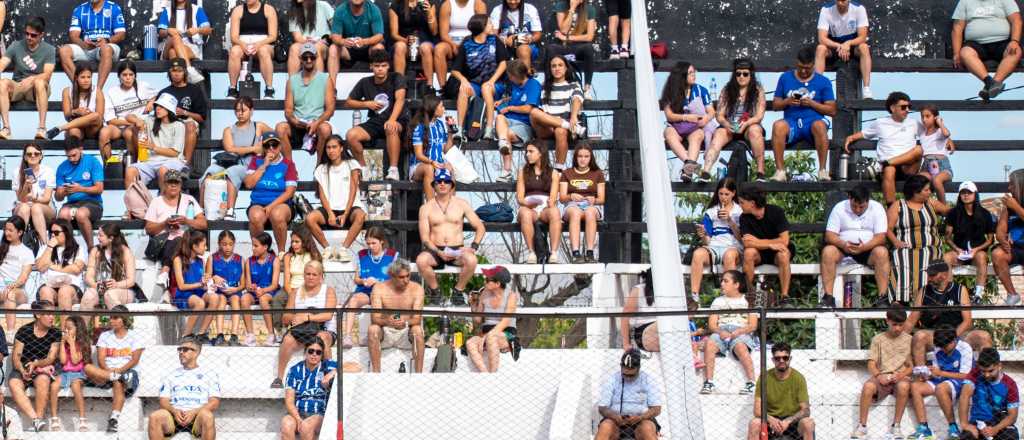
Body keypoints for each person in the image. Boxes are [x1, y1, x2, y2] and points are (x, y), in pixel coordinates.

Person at [415, 169, 485, 305]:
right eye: (439, 181)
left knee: (471, 260)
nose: (442, 184)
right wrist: (438, 251)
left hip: (457, 249)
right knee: (421, 260)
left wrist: (473, 247)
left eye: (446, 181)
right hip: (435, 250)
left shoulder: (461, 204)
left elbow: (480, 227)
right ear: (434, 185)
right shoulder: (426, 208)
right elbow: (425, 238)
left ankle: (458, 292)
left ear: (451, 185)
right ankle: (436, 292)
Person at [906, 261, 994, 366]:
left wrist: (951, 338)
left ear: (944, 275)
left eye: (933, 275)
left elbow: (967, 321)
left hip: (958, 334)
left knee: (984, 336)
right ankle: (921, 374)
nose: (929, 278)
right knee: (919, 336)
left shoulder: (960, 290)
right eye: (929, 275)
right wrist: (899, 338)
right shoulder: (924, 291)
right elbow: (912, 319)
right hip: (934, 335)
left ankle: (985, 375)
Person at [771, 45, 837, 182]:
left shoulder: (823, 81)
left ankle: (822, 170)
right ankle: (780, 171)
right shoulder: (785, 78)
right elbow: (776, 105)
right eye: (800, 67)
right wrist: (787, 102)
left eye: (807, 68)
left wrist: (812, 103)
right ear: (796, 63)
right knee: (778, 126)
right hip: (792, 122)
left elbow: (832, 110)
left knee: (819, 125)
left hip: (813, 121)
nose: (803, 71)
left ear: (813, 64)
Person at [200, 96, 272, 220]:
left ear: (251, 111)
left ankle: (230, 210)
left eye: (243, 110)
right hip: (228, 162)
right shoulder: (228, 130)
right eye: (237, 110)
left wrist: (264, 148)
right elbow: (230, 149)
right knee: (209, 172)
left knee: (232, 172)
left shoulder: (259, 126)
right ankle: (200, 210)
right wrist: (253, 149)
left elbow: (275, 137)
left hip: (247, 166)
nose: (240, 113)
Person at [844, 91, 923, 205]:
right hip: (888, 170)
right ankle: (892, 207)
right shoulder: (880, 123)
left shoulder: (914, 123)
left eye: (909, 107)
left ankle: (888, 163)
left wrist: (947, 138)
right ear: (892, 108)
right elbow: (864, 133)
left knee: (919, 150)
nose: (907, 110)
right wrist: (850, 138)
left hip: (908, 167)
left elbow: (931, 134)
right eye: (903, 107)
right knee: (889, 170)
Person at [820, 185, 890, 308]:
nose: (857, 209)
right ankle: (828, 296)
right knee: (828, 251)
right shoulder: (839, 208)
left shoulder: (877, 208)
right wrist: (843, 244)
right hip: (843, 248)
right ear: (849, 198)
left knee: (882, 252)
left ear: (868, 201)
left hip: (868, 249)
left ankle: (882, 297)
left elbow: (881, 237)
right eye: (854, 206)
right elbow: (829, 235)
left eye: (861, 207)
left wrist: (864, 247)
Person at [887, 175, 951, 305]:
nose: (930, 192)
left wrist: (949, 227)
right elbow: (887, 229)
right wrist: (896, 242)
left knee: (927, 256)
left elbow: (951, 213)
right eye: (926, 190)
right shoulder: (898, 205)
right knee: (903, 256)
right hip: (906, 247)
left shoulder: (931, 203)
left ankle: (926, 298)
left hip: (930, 247)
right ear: (916, 191)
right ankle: (901, 298)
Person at [850, 309, 913, 440]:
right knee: (868, 386)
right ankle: (862, 426)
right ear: (887, 321)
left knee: (904, 387)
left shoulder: (910, 340)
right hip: (882, 376)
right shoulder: (878, 339)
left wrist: (901, 375)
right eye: (894, 324)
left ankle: (896, 427)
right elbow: (871, 364)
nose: (898, 328)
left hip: (901, 377)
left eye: (901, 325)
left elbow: (912, 367)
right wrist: (879, 376)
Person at [273, 260, 337, 388]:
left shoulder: (328, 290)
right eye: (308, 274)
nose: (311, 277)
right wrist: (295, 316)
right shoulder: (296, 292)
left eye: (314, 274)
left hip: (324, 329)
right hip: (303, 331)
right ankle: (279, 378)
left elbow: (328, 315)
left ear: (321, 276)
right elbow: (286, 318)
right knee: (287, 340)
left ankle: (329, 376)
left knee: (322, 338)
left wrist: (307, 316)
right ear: (304, 275)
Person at [345, 48, 407, 179]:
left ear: (388, 66)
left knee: (391, 127)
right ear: (371, 66)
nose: (380, 69)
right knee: (351, 135)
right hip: (375, 121)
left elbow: (400, 100)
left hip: (397, 119)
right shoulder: (365, 82)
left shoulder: (396, 77)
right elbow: (349, 102)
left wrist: (392, 119)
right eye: (377, 66)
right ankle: (363, 168)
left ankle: (393, 169)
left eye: (383, 66)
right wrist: (366, 104)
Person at [147, 336, 220, 440]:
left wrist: (194, 412)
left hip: (197, 416)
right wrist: (174, 410)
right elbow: (163, 400)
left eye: (185, 349)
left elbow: (214, 402)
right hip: (174, 416)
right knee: (155, 417)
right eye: (179, 349)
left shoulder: (210, 374)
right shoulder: (170, 374)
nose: (181, 352)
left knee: (208, 416)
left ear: (196, 352)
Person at [143, 169, 207, 287]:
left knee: (179, 239)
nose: (173, 185)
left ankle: (165, 271)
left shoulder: (189, 199)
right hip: (163, 244)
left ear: (180, 185)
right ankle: (167, 274)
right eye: (170, 182)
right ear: (164, 184)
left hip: (185, 243)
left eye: (176, 182)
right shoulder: (156, 202)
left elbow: (203, 223)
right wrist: (165, 224)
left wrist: (186, 221)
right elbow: (148, 228)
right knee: (177, 240)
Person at [85, 305, 144, 433]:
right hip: (107, 372)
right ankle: (114, 378)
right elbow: (101, 359)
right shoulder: (105, 336)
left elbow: (135, 360)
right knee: (87, 367)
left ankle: (114, 418)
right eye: (111, 318)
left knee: (118, 382)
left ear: (124, 320)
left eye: (115, 318)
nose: (111, 321)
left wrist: (119, 370)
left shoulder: (135, 336)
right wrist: (109, 371)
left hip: (127, 372)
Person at [308, 134, 367, 262]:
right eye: (328, 147)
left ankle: (344, 249)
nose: (331, 150)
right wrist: (329, 214)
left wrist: (345, 214)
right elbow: (322, 194)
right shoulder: (321, 169)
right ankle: (327, 249)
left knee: (360, 216)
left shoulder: (352, 164)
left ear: (341, 148)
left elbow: (353, 190)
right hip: (330, 208)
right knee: (310, 218)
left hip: (350, 207)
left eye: (334, 147)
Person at [908, 326, 973, 440]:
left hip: (958, 380)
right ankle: (924, 428)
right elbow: (937, 371)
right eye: (940, 347)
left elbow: (965, 375)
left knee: (940, 388)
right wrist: (928, 374)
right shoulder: (939, 348)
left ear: (953, 340)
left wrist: (941, 373)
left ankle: (953, 428)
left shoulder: (964, 348)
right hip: (941, 379)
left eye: (945, 346)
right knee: (915, 386)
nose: (942, 349)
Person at [699, 270, 757, 395]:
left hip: (740, 331)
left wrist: (739, 331)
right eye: (722, 281)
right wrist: (720, 332)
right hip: (721, 331)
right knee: (710, 343)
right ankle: (709, 382)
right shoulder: (718, 301)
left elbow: (752, 325)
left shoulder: (748, 301)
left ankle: (752, 382)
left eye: (726, 281)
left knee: (741, 347)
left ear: (736, 284)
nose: (722, 284)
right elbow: (712, 324)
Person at [450, 14, 507, 140]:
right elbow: (455, 70)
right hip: (475, 84)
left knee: (486, 88)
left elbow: (503, 63)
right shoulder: (467, 43)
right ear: (482, 27)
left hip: (495, 84)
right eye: (489, 23)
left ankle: (489, 129)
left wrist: (492, 81)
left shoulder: (494, 40)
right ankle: (459, 130)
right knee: (463, 89)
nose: (492, 25)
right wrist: (464, 81)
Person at [710, 58, 768, 181]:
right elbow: (719, 115)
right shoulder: (727, 89)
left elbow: (759, 116)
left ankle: (761, 172)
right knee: (718, 135)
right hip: (730, 126)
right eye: (738, 73)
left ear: (751, 75)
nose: (741, 76)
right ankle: (705, 171)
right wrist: (726, 124)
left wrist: (746, 123)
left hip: (749, 125)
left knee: (755, 131)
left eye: (745, 74)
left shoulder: (758, 90)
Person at [951, 0, 1022, 100]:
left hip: (1002, 42)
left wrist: (1014, 41)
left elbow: (1016, 20)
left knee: (1016, 51)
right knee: (965, 52)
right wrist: (956, 53)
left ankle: (992, 84)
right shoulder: (965, 1)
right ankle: (990, 83)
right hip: (975, 44)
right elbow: (957, 27)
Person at [661, 61, 718, 183]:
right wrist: (686, 117)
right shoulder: (670, 91)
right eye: (690, 73)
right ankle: (689, 164)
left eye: (694, 72)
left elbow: (711, 112)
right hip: (676, 125)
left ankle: (687, 171)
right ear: (682, 75)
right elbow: (669, 115)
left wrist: (705, 119)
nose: (694, 75)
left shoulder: (701, 89)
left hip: (695, 127)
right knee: (668, 133)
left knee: (698, 135)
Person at [738, 185, 795, 306]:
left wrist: (758, 241)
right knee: (748, 253)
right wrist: (771, 244)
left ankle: (785, 296)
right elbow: (747, 243)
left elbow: (784, 241)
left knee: (783, 255)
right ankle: (749, 294)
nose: (740, 205)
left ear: (752, 203)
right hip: (760, 253)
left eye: (742, 202)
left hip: (778, 252)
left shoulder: (776, 212)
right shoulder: (744, 217)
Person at [277, 42, 336, 160]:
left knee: (325, 129)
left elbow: (330, 109)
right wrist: (295, 121)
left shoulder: (326, 79)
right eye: (305, 57)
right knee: (280, 128)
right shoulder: (292, 81)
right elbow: (288, 110)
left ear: (316, 58)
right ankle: (289, 167)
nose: (309, 60)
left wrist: (317, 123)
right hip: (298, 124)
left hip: (317, 123)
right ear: (300, 59)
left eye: (312, 57)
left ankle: (319, 166)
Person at [0, 16, 55, 140]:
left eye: (33, 35)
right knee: (2, 83)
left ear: (41, 35)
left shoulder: (49, 50)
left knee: (40, 82)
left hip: (36, 89)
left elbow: (47, 74)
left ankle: (41, 128)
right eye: (27, 34)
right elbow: (2, 64)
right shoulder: (15, 45)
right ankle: (6, 129)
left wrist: (32, 79)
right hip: (18, 86)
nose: (29, 37)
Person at [9, 300, 60, 432]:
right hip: (23, 367)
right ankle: (36, 420)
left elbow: (51, 357)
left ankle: (39, 419)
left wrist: (36, 364)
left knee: (43, 380)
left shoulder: (55, 333)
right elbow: (16, 357)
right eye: (48, 314)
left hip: (43, 368)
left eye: (53, 314)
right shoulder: (24, 331)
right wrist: (22, 370)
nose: (52, 317)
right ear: (37, 314)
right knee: (14, 383)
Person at [342, 227, 398, 348]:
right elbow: (356, 279)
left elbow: (396, 280)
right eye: (368, 243)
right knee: (353, 300)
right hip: (365, 291)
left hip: (384, 293)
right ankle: (347, 336)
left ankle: (373, 334)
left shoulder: (392, 255)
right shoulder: (362, 255)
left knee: (376, 298)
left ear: (382, 241)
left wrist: (377, 282)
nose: (371, 246)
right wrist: (364, 280)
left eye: (374, 243)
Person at [746, 342, 814, 440]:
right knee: (754, 423)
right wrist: (771, 419)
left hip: (792, 422)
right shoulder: (764, 378)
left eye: (785, 358)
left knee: (808, 423)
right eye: (777, 358)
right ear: (773, 360)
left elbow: (806, 410)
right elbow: (757, 410)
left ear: (790, 359)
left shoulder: (799, 378)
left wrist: (788, 421)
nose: (781, 360)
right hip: (770, 421)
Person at [245, 132, 299, 253]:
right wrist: (264, 165)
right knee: (255, 216)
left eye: (274, 145)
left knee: (277, 215)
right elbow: (249, 184)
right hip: (258, 202)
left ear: (280, 147)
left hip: (282, 203)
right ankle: (263, 252)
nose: (271, 148)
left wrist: (271, 206)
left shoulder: (288, 164)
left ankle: (281, 253)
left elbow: (290, 192)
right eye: (267, 145)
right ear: (263, 147)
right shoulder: (256, 161)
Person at [124, 92, 188, 196]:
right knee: (130, 170)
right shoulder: (150, 120)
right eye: (157, 106)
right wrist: (137, 121)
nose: (158, 109)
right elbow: (128, 116)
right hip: (150, 161)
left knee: (163, 170)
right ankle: (134, 208)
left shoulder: (179, 125)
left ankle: (162, 203)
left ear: (169, 109)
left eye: (162, 107)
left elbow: (174, 153)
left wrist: (153, 147)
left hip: (172, 161)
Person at [368, 259, 425, 372]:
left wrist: (405, 322)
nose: (406, 280)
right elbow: (375, 318)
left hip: (406, 331)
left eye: (408, 276)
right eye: (401, 277)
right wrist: (388, 322)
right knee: (373, 329)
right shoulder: (379, 288)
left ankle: (419, 375)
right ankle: (376, 374)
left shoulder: (417, 289)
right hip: (386, 331)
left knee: (418, 331)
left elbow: (417, 319)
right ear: (392, 276)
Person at [530, 55, 586, 170]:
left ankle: (558, 169)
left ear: (566, 68)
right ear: (550, 69)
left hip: (564, 130)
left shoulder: (573, 85)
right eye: (553, 66)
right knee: (534, 112)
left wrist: (574, 117)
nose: (557, 68)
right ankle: (570, 126)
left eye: (560, 65)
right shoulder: (543, 87)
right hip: (547, 127)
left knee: (560, 131)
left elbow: (577, 99)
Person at [689, 177, 742, 297]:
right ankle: (694, 296)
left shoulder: (740, 211)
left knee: (729, 256)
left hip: (733, 247)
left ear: (733, 193)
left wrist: (730, 220)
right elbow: (707, 241)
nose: (723, 197)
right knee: (698, 254)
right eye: (720, 194)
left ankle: (728, 296)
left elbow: (741, 238)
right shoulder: (711, 212)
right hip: (714, 246)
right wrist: (703, 234)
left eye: (727, 194)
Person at [944, 181, 995, 304]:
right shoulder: (953, 213)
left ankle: (978, 295)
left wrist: (977, 249)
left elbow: (990, 239)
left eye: (969, 193)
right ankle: (951, 294)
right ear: (959, 195)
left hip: (976, 252)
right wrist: (956, 249)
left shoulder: (985, 214)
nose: (966, 195)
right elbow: (947, 237)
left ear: (975, 194)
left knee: (982, 257)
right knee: (946, 258)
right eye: (963, 193)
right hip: (959, 251)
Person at [595, 349, 662, 440]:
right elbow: (602, 408)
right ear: (621, 367)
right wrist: (614, 416)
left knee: (647, 429)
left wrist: (640, 417)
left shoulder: (648, 380)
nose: (628, 378)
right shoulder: (612, 379)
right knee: (605, 427)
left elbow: (656, 409)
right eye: (625, 374)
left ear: (639, 368)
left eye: (632, 375)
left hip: (642, 421)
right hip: (616, 422)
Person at [60, 0, 126, 90]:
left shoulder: (114, 8)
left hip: (107, 46)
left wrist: (107, 40)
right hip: (87, 47)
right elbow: (73, 35)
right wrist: (84, 44)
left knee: (106, 49)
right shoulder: (79, 9)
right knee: (63, 51)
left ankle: (98, 91)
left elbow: (121, 34)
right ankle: (80, 88)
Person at [494, 59, 542, 182]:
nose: (509, 79)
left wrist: (510, 107)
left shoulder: (533, 84)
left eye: (511, 76)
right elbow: (516, 97)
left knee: (507, 134)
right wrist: (504, 101)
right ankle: (503, 142)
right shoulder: (515, 85)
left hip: (524, 124)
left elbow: (528, 108)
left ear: (518, 76)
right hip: (509, 120)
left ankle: (507, 171)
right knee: (499, 118)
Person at [100, 60, 157, 162]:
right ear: (119, 76)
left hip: (138, 126)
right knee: (104, 132)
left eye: (131, 74)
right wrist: (132, 122)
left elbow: (158, 96)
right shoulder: (111, 92)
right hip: (119, 126)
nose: (128, 78)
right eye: (124, 75)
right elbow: (110, 121)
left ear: (135, 75)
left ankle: (135, 164)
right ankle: (109, 166)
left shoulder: (143, 86)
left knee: (129, 133)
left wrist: (151, 102)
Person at [958, 348, 1020, 440]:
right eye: (983, 371)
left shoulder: (1010, 384)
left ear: (999, 366)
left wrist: (995, 429)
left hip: (999, 423)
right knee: (966, 437)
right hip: (978, 422)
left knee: (1011, 436)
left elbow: (1012, 416)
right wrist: (965, 424)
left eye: (991, 371)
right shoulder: (975, 373)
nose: (986, 375)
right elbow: (964, 396)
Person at [466, 266, 520, 373]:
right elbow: (478, 319)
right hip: (486, 334)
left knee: (491, 337)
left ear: (498, 284)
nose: (484, 281)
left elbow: (505, 322)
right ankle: (486, 374)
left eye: (487, 280)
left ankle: (493, 373)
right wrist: (472, 305)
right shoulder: (484, 294)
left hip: (505, 333)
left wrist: (486, 336)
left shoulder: (511, 296)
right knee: (470, 343)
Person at [281, 337, 337, 440]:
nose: (314, 354)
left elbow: (355, 367)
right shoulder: (295, 370)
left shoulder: (327, 366)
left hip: (318, 413)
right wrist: (298, 419)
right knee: (286, 424)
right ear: (305, 352)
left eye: (318, 352)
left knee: (306, 427)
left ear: (322, 354)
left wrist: (332, 373)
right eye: (311, 351)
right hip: (298, 412)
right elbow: (289, 401)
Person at [815, 0, 873, 98]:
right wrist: (839, 46)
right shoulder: (826, 10)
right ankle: (816, 87)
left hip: (852, 45)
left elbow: (862, 36)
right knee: (820, 48)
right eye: (839, 0)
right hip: (834, 45)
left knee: (864, 47)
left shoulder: (859, 9)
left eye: (843, 0)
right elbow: (821, 38)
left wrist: (848, 43)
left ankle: (866, 88)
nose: (841, 3)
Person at [156, 58, 208, 167]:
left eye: (179, 70)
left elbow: (202, 117)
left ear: (185, 72)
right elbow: (157, 114)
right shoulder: (164, 92)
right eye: (174, 71)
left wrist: (185, 112)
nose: (176, 74)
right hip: (168, 123)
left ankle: (185, 165)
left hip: (186, 121)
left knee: (190, 125)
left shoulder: (194, 90)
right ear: (169, 73)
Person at [54, 138, 104, 251]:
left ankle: (91, 248)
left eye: (74, 155)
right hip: (71, 203)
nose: (71, 159)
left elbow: (99, 189)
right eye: (68, 156)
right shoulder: (62, 167)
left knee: (81, 214)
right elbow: (58, 198)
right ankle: (69, 248)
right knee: (62, 215)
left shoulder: (92, 162)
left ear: (81, 149)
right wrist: (61, 192)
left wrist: (80, 189)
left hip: (93, 202)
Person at [559, 143, 605, 263]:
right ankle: (576, 253)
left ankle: (590, 253)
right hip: (572, 205)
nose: (583, 159)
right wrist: (571, 196)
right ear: (575, 157)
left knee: (590, 212)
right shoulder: (566, 173)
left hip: (591, 205)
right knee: (575, 212)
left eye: (586, 156)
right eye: (580, 156)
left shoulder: (598, 173)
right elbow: (562, 198)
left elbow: (602, 198)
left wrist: (593, 200)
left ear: (591, 158)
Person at [517, 143, 562, 264]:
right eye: (527, 152)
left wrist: (550, 203)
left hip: (545, 207)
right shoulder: (523, 171)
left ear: (540, 153)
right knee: (524, 213)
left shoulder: (553, 173)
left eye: (531, 151)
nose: (527, 154)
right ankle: (531, 252)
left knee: (555, 212)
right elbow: (520, 197)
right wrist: (527, 204)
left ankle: (554, 253)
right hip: (528, 206)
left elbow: (553, 197)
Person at [172, 230, 221, 343]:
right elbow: (181, 286)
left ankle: (201, 334)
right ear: (194, 246)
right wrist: (200, 283)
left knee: (214, 297)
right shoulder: (178, 260)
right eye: (204, 245)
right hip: (184, 295)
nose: (206, 247)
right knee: (200, 303)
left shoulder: (201, 261)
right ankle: (186, 335)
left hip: (197, 293)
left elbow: (202, 285)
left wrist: (211, 284)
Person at [432, 0, 487, 94]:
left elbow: (482, 29)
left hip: (472, 40)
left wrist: (466, 44)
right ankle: (443, 88)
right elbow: (444, 34)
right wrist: (453, 45)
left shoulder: (478, 4)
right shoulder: (447, 4)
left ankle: (478, 87)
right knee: (439, 49)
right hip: (451, 41)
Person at [226, 0, 278, 99]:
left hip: (264, 44)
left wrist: (258, 44)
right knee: (234, 51)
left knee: (264, 51)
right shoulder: (238, 11)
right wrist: (243, 45)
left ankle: (269, 89)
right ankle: (232, 89)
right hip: (243, 44)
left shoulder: (268, 10)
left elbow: (273, 36)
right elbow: (234, 37)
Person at [47, 315, 90, 432]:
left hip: (78, 373)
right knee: (54, 386)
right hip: (65, 373)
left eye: (69, 328)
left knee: (76, 387)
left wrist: (71, 343)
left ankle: (82, 418)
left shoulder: (82, 344)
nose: (66, 331)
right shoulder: (64, 344)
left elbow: (76, 360)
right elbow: (63, 361)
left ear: (78, 329)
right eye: (65, 328)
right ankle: (54, 418)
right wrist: (62, 343)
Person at [81, 223, 136, 311]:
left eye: (101, 235)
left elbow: (131, 281)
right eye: (97, 235)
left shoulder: (125, 251)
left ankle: (120, 323)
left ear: (111, 238)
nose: (98, 238)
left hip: (123, 290)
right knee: (88, 296)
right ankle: (83, 325)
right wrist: (97, 285)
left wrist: (116, 284)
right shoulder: (95, 251)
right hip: (100, 289)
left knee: (110, 295)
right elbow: (88, 277)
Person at [206, 230, 247, 346]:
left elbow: (243, 284)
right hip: (219, 291)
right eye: (224, 244)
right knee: (221, 300)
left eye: (230, 244)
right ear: (219, 244)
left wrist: (235, 289)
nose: (227, 247)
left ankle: (234, 335)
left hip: (235, 290)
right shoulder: (212, 258)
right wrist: (214, 277)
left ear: (234, 244)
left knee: (235, 300)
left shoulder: (240, 259)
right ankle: (219, 334)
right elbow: (207, 278)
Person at [242, 232, 284, 346]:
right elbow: (248, 284)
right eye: (252, 245)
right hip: (255, 292)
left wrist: (263, 291)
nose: (253, 248)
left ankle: (271, 335)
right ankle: (250, 335)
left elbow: (275, 284)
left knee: (263, 299)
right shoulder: (249, 261)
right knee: (244, 299)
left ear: (265, 247)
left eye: (256, 246)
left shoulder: (274, 260)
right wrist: (251, 287)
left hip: (269, 290)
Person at [408, 94, 454, 199]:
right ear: (433, 108)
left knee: (450, 168)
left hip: (438, 164)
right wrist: (432, 162)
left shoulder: (440, 125)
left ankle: (450, 206)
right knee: (429, 168)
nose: (444, 109)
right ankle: (431, 206)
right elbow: (419, 155)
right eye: (441, 106)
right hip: (420, 167)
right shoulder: (419, 126)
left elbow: (446, 149)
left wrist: (450, 131)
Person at [35, 219, 87, 310]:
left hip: (71, 288)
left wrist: (52, 266)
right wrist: (50, 247)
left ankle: (65, 324)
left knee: (64, 291)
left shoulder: (79, 249)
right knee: (45, 291)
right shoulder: (44, 248)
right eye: (51, 232)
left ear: (66, 232)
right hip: (48, 286)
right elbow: (40, 267)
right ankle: (48, 324)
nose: (53, 235)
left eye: (56, 232)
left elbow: (76, 269)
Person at [157, 0, 212, 83]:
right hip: (168, 47)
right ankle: (189, 70)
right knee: (175, 37)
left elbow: (208, 30)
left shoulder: (197, 9)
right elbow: (161, 33)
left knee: (173, 52)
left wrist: (197, 30)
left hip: (190, 47)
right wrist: (168, 30)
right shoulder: (167, 11)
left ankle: (179, 85)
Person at [48, 61, 104, 141]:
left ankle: (59, 128)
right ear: (76, 77)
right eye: (83, 77)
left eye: (89, 77)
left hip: (92, 130)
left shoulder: (97, 91)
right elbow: (67, 116)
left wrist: (88, 114)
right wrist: (76, 111)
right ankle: (76, 151)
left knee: (95, 115)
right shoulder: (67, 91)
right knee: (74, 132)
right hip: (77, 128)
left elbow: (100, 118)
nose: (86, 80)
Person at [12, 143, 56, 246]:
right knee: (24, 207)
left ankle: (44, 248)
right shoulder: (17, 172)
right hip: (24, 206)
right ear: (25, 157)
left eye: (36, 154)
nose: (33, 156)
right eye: (29, 154)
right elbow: (20, 199)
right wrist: (26, 186)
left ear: (41, 156)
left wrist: (34, 198)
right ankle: (19, 246)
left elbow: (46, 199)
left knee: (36, 207)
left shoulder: (48, 171)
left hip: (45, 207)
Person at [551, 0, 597, 96]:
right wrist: (572, 8)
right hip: (563, 47)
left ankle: (587, 89)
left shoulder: (590, 9)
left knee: (588, 48)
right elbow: (563, 29)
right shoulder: (561, 5)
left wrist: (567, 37)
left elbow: (589, 37)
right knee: (550, 49)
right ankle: (550, 87)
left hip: (579, 47)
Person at [329, 0, 386, 78]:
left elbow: (379, 35)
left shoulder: (373, 9)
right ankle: (331, 85)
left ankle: (378, 86)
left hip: (368, 48)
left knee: (378, 47)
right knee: (333, 48)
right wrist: (343, 41)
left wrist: (364, 41)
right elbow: (335, 36)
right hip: (348, 49)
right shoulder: (340, 10)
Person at [992, 169, 1024, 306]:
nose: (1009, 187)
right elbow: (1001, 228)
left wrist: (1016, 207)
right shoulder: (1009, 204)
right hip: (1016, 247)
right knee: (997, 254)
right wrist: (1002, 238)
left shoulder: (1013, 204)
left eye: (1011, 184)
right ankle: (1012, 294)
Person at [1, 217, 37, 332]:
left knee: (10, 294)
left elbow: (23, 277)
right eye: (6, 230)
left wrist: (13, 285)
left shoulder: (27, 252)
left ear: (20, 232)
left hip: (19, 291)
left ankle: (10, 332)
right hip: (2, 288)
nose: (7, 233)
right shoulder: (1, 249)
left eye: (10, 230)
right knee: (6, 292)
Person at [388, 0, 437, 79]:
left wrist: (429, 13)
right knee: (400, 46)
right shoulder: (396, 5)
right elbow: (394, 34)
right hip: (405, 42)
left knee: (425, 48)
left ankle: (429, 86)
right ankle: (399, 84)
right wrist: (405, 40)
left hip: (424, 41)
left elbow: (434, 32)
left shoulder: (428, 4)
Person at [287, 0, 336, 74]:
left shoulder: (323, 5)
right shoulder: (294, 10)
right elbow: (297, 36)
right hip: (304, 43)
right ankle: (292, 84)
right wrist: (307, 42)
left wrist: (326, 39)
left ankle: (319, 84)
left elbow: (336, 29)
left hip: (323, 44)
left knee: (316, 47)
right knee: (294, 48)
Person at [489, 0, 541, 68]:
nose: (513, 2)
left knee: (523, 49)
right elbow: (493, 34)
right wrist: (505, 41)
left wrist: (530, 39)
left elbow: (537, 34)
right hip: (504, 46)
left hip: (527, 46)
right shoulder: (497, 10)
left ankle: (526, 76)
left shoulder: (531, 9)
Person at [919, 105, 955, 202]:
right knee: (918, 182)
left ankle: (943, 207)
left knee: (937, 181)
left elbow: (947, 134)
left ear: (935, 117)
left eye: (927, 116)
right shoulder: (922, 132)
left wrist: (940, 122)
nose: (924, 119)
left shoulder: (939, 131)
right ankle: (927, 206)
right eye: (922, 116)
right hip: (926, 165)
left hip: (942, 165)